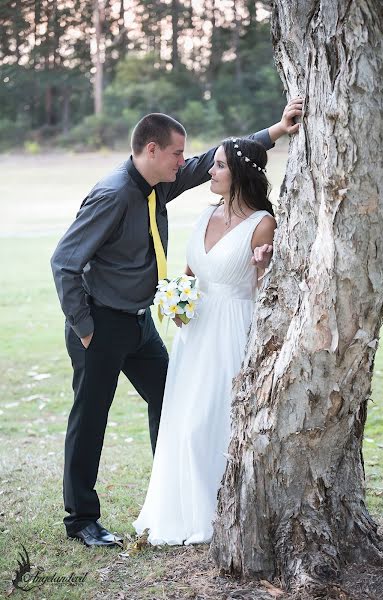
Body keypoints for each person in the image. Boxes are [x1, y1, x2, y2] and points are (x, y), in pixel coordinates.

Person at [51, 99, 303, 548]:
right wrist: (85, 327)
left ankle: (178, 493)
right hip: (100, 326)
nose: (185, 163)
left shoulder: (157, 185)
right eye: (177, 155)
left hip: (139, 324)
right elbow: (65, 261)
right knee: (91, 417)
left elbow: (219, 159)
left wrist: (277, 130)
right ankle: (81, 519)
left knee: (169, 400)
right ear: (152, 150)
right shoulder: (113, 195)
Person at [133, 137, 277, 545]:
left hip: (233, 329)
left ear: (239, 173)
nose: (210, 173)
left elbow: (268, 291)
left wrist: (265, 267)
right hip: (194, 333)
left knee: (211, 423)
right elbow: (190, 274)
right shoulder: (205, 215)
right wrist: (177, 302)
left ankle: (217, 510)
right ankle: (182, 508)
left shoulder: (262, 223)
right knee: (183, 419)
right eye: (211, 165)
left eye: (218, 166)